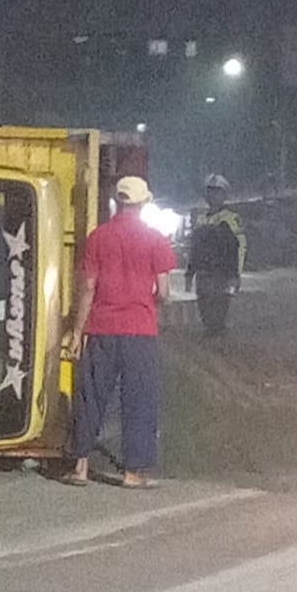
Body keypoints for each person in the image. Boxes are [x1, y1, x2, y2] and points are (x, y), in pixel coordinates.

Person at [63, 175, 178, 488]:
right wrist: (147, 300)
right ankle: (133, 472)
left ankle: (80, 466)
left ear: (118, 202)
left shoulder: (98, 237)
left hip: (102, 328)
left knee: (91, 396)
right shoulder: (156, 240)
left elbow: (87, 287)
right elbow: (165, 291)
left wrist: (77, 331)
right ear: (143, 204)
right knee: (139, 400)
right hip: (140, 331)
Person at [185, 173, 247, 337]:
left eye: (217, 192)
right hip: (203, 276)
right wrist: (189, 273)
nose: (213, 195)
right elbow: (195, 249)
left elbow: (239, 248)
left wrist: (236, 274)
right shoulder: (200, 220)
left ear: (224, 195)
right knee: (205, 313)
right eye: (210, 191)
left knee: (218, 316)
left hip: (221, 275)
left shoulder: (231, 219)